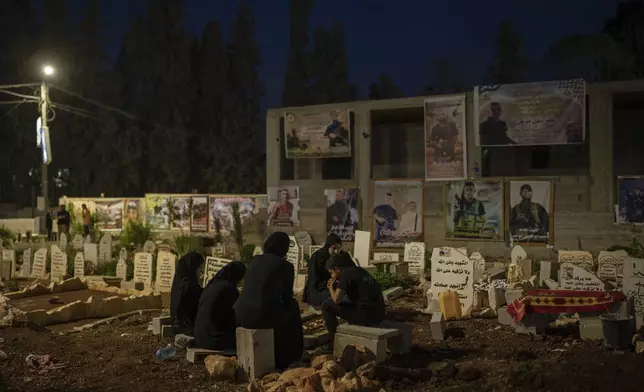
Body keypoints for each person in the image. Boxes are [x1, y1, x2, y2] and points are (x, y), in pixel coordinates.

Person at [234, 232, 303, 369]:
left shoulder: (255, 260)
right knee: (293, 307)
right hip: (261, 316)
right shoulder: (285, 266)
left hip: (241, 314)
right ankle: (291, 356)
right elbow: (287, 297)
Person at [321, 251, 386, 336]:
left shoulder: (345, 274)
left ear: (337, 269)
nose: (331, 276)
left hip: (365, 317)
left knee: (326, 305)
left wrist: (330, 288)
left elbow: (336, 299)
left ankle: (332, 339)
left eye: (331, 272)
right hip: (378, 315)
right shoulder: (359, 270)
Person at [194, 261, 246, 351]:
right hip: (213, 340)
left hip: (199, 337)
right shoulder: (229, 288)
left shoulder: (212, 285)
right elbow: (238, 314)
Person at [302, 233, 343, 309]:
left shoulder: (335, 257)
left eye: (338, 248)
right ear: (328, 246)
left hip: (329, 286)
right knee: (337, 296)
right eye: (334, 248)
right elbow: (314, 280)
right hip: (317, 291)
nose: (336, 251)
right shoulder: (317, 257)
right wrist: (329, 284)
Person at [170, 252, 205, 336]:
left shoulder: (181, 281)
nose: (201, 271)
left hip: (177, 324)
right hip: (187, 327)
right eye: (199, 267)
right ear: (193, 268)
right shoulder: (189, 286)